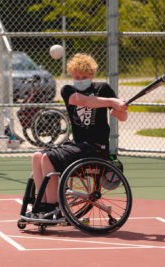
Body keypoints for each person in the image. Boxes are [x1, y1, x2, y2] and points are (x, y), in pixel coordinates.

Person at [32, 53, 128, 213]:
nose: (80, 79)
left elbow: (123, 117)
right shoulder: (68, 90)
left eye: (85, 76)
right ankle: (42, 204)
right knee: (37, 156)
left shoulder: (103, 89)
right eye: (77, 76)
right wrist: (112, 102)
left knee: (48, 158)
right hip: (78, 145)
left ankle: (54, 207)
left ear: (92, 75)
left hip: (96, 147)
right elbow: (84, 101)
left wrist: (119, 111)